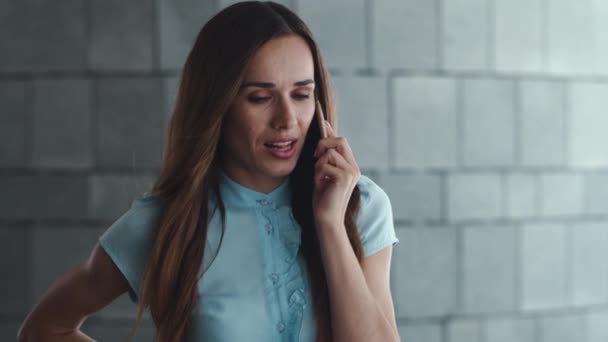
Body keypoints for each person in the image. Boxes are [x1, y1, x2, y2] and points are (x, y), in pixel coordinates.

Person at [18, 2, 400, 341]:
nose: (288, 120)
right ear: (217, 104)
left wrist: (331, 223)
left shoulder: (361, 206)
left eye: (302, 94)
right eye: (260, 98)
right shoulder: (167, 223)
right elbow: (45, 329)